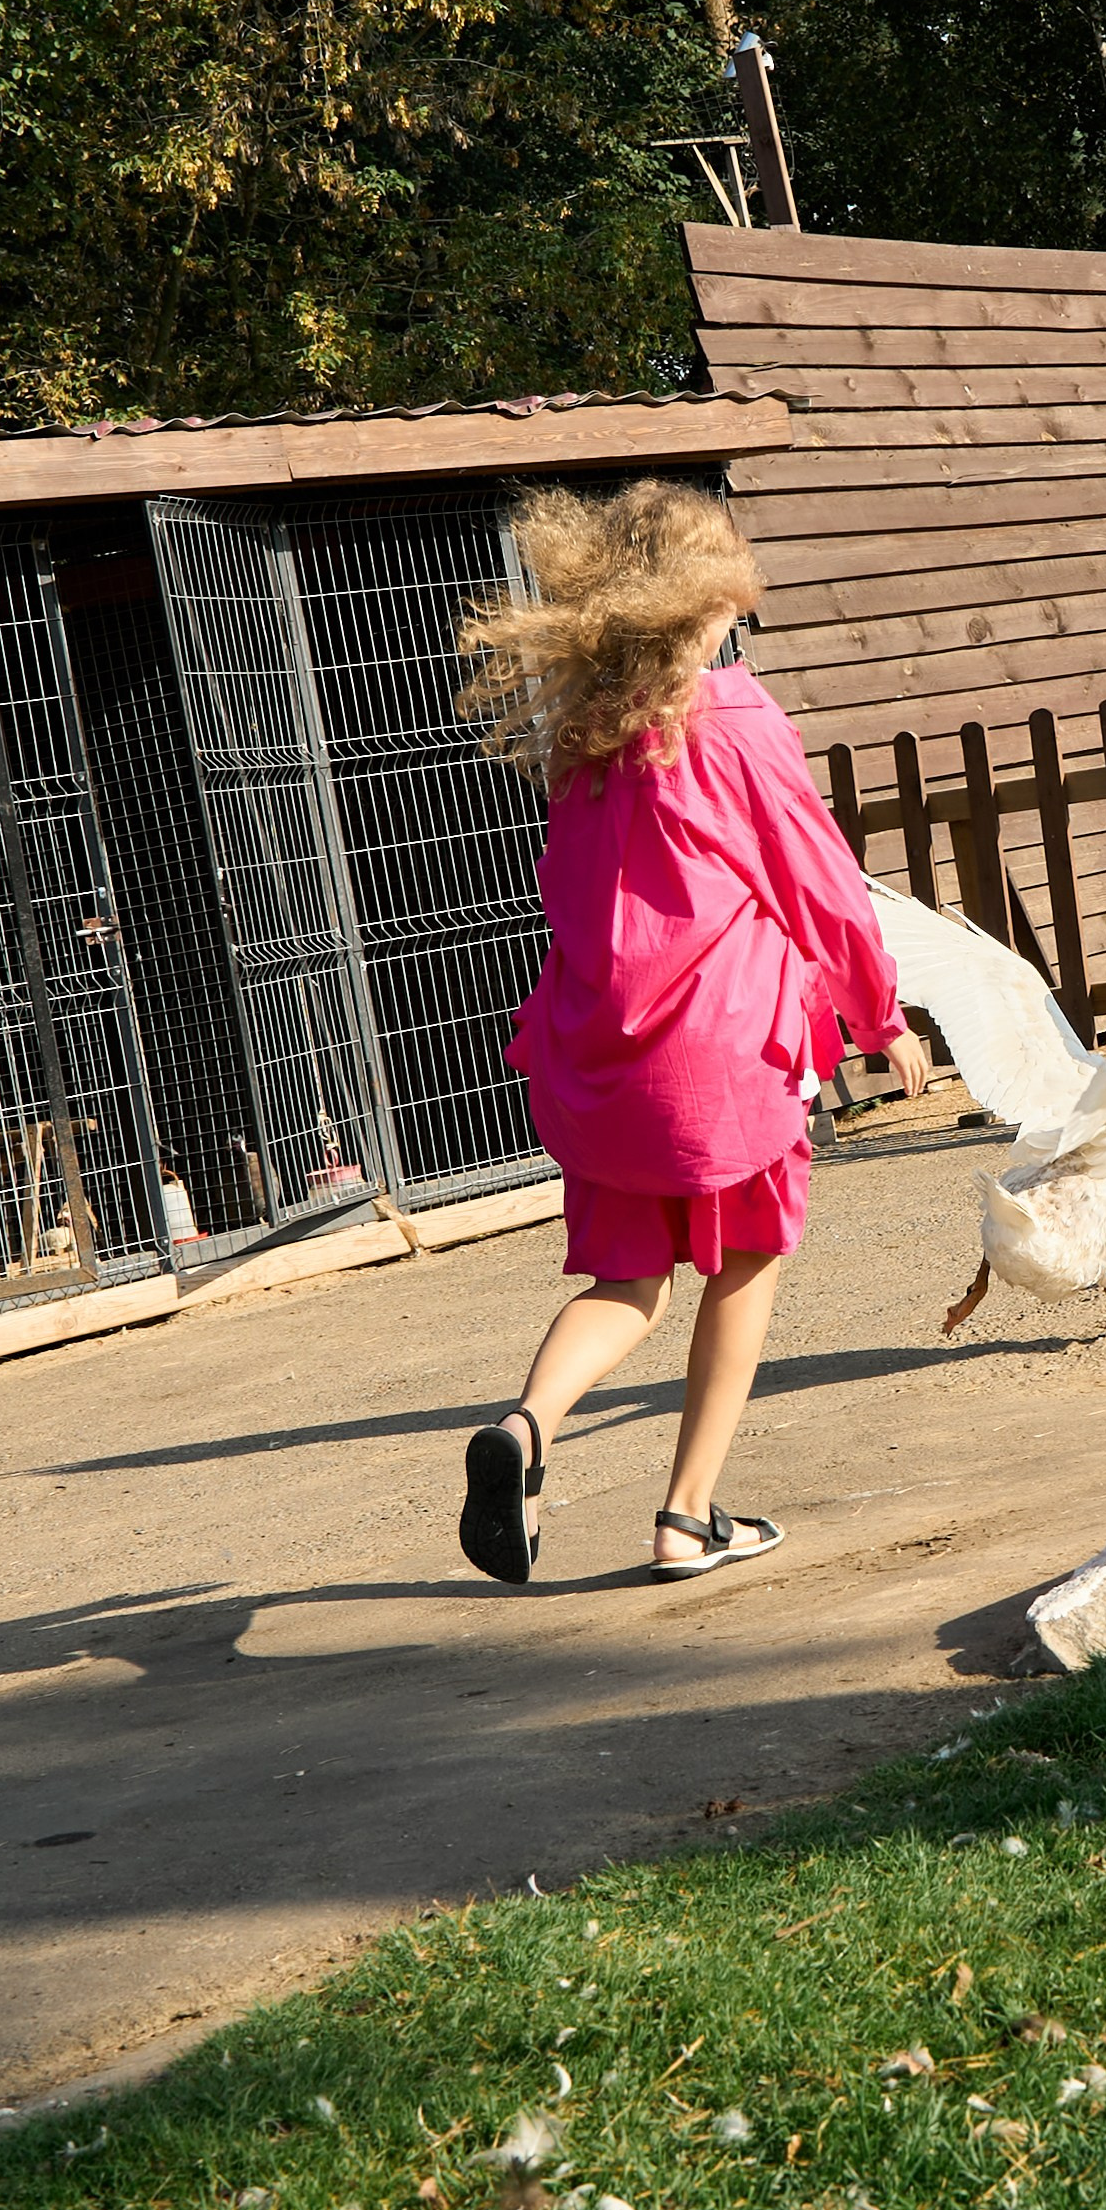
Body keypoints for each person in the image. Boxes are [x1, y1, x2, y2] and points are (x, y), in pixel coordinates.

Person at [452, 478, 928, 1586]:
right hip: (723, 1052)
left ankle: (524, 1427)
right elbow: (822, 883)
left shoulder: (588, 737)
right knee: (746, 1261)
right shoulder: (736, 718)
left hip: (601, 1053)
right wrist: (880, 1016)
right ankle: (685, 1516)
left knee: (627, 1281)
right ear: (708, 596)